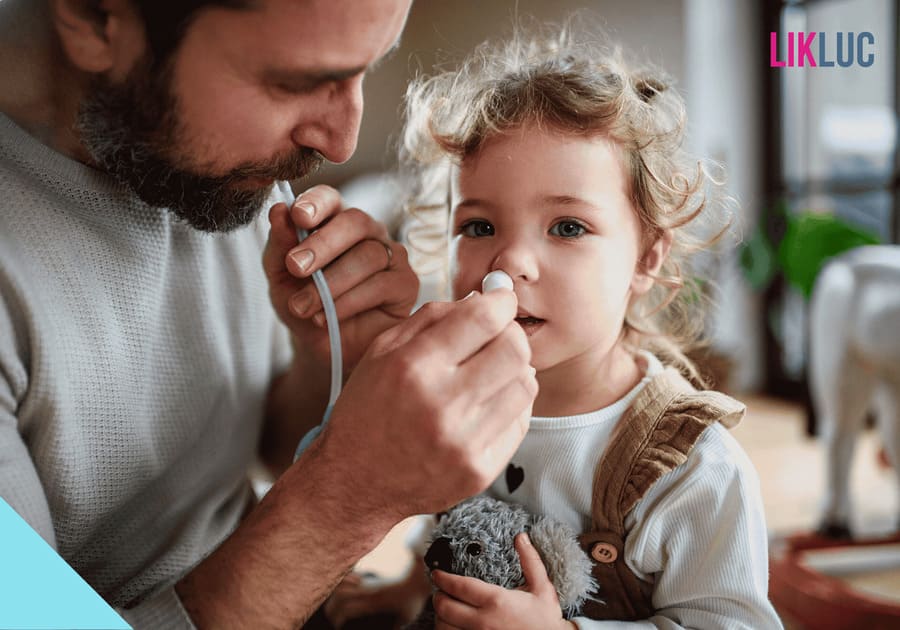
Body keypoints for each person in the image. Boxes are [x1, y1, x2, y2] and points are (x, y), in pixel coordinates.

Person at [0, 1, 538, 627]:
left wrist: (331, 364)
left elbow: (260, 445)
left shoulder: (186, 154)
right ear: (95, 17)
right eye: (297, 81)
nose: (340, 141)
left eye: (362, 70)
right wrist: (346, 499)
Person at [324, 24, 784, 629]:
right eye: (479, 227)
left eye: (567, 228)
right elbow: (456, 522)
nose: (509, 262)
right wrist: (413, 587)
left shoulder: (692, 468)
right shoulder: (460, 402)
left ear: (646, 258)